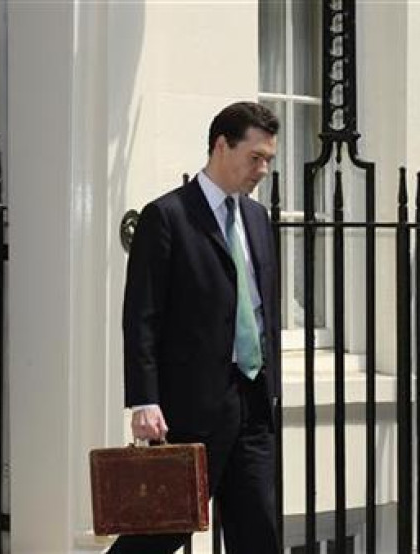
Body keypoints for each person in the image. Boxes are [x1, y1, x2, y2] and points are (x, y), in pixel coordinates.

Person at [108, 102, 281, 554]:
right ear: (221, 146)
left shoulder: (259, 220)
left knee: (259, 533)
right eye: (256, 157)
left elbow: (262, 309)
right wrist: (144, 399)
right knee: (158, 535)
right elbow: (142, 315)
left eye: (269, 160)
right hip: (191, 408)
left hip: (253, 404)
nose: (262, 169)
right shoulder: (167, 216)